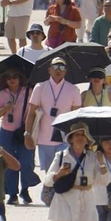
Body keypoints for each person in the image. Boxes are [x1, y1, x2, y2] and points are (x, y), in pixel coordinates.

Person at [24, 57, 80, 201]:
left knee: (64, 170)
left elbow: (76, 118)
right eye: (55, 67)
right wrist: (27, 133)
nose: (58, 70)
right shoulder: (40, 87)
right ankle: (52, 197)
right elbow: (30, 114)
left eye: (62, 67)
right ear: (49, 70)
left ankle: (61, 199)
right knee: (50, 172)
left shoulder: (73, 89)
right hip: (44, 138)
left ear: (66, 71)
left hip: (65, 139)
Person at [46, 125, 100, 221]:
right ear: (70, 139)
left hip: (86, 199)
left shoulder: (93, 157)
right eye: (77, 135)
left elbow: (103, 181)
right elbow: (48, 180)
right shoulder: (61, 156)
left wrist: (102, 165)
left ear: (87, 139)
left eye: (82, 135)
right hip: (65, 198)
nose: (80, 138)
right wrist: (58, 174)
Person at [0, 69, 40, 206]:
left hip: (24, 131)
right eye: (9, 77)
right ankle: (12, 193)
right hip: (6, 131)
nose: (12, 79)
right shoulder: (3, 94)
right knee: (8, 163)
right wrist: (6, 108)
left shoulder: (28, 91)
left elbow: (36, 109)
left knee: (26, 161)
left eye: (15, 76)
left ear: (20, 78)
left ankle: (25, 189)